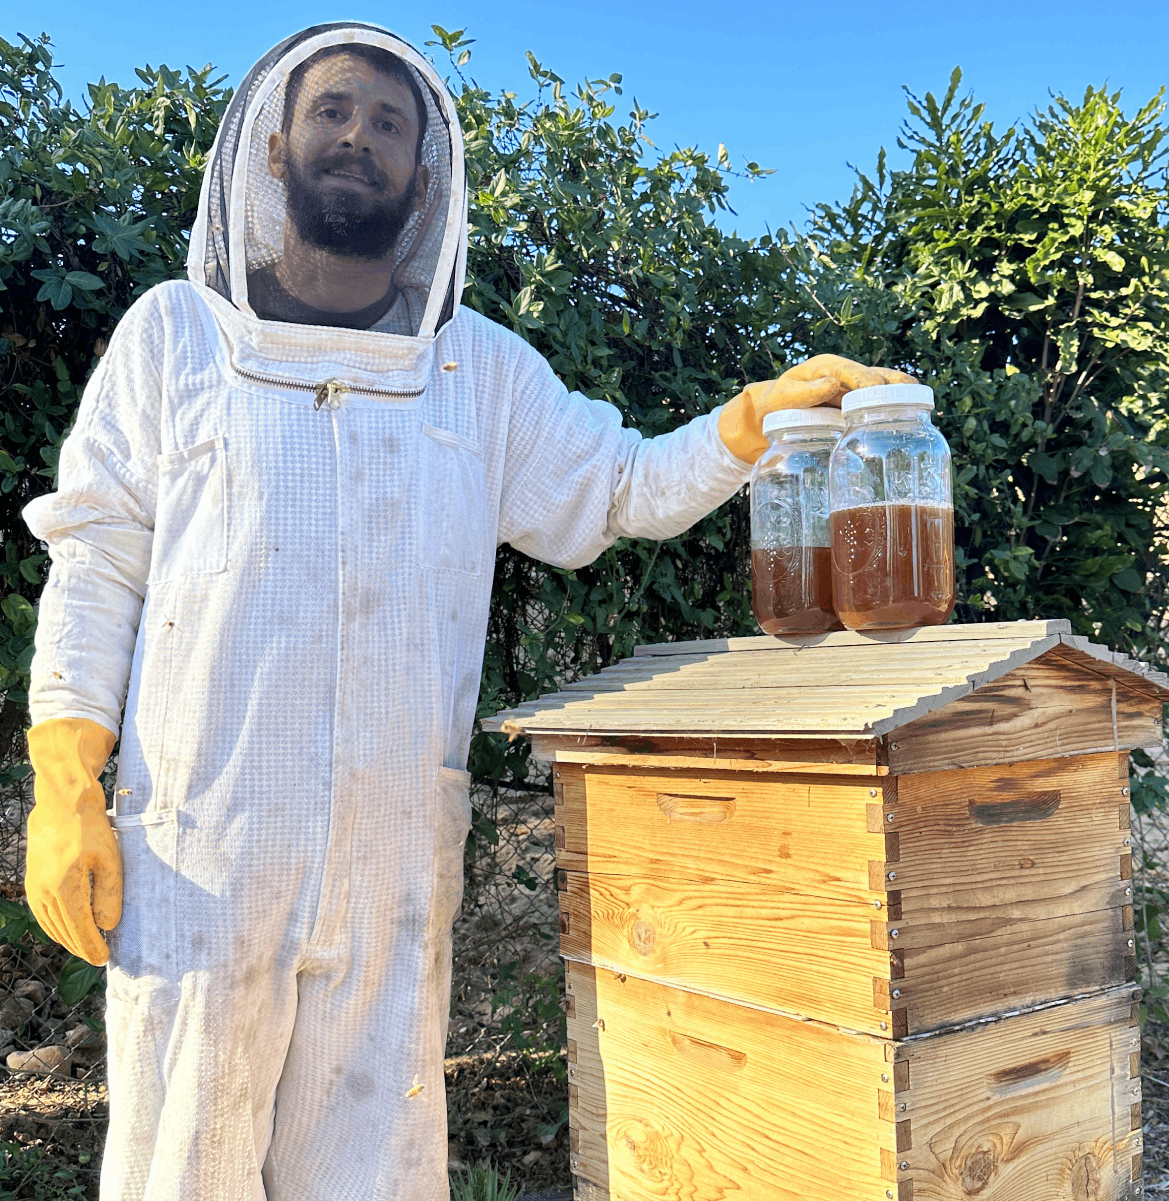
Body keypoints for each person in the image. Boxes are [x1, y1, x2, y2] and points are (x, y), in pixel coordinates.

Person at [19, 22, 911, 1201]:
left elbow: (621, 484)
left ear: (424, 177)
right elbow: (97, 562)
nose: (358, 137)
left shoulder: (476, 371)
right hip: (199, 860)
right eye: (333, 111)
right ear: (274, 145)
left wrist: (750, 420)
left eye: (390, 124)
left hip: (392, 869)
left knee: (372, 1173)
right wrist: (65, 786)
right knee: (178, 1165)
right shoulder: (172, 339)